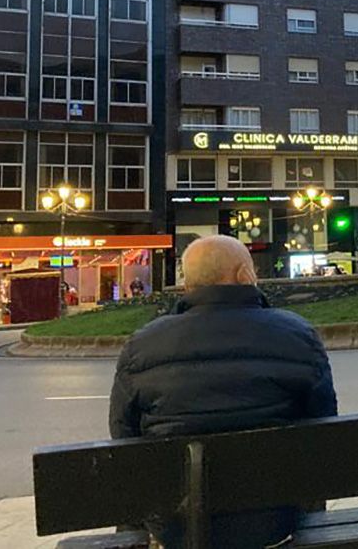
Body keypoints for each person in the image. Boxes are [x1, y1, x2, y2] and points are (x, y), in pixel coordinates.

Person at [109, 235, 337, 549]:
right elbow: (325, 432)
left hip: (177, 528)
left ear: (187, 283)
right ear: (244, 275)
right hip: (275, 521)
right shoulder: (298, 334)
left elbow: (124, 440)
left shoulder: (142, 345)